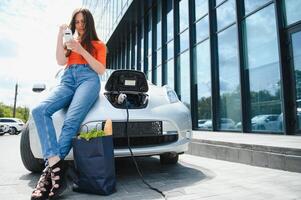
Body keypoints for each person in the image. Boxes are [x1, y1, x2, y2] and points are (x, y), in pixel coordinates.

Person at [30, 8, 106, 200]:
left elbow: (100, 69)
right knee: (40, 110)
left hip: (88, 79)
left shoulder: (98, 44)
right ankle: (56, 167)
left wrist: (81, 50)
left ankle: (46, 177)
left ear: (89, 23)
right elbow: (60, 61)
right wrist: (59, 35)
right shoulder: (70, 43)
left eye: (83, 22)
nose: (80, 25)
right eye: (77, 22)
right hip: (68, 78)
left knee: (71, 122)